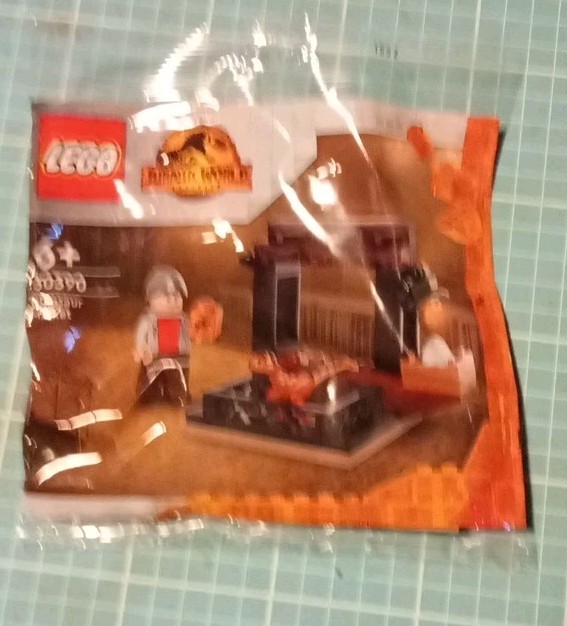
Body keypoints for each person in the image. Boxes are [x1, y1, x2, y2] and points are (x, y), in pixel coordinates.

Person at [134, 265, 222, 406]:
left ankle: (179, 396)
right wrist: (141, 349)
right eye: (165, 297)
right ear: (149, 299)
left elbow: (194, 333)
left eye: (177, 296)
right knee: (151, 383)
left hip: (179, 359)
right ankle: (149, 397)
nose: (173, 300)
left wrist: (205, 326)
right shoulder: (148, 320)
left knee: (178, 383)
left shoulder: (185, 320)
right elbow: (141, 337)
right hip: (153, 358)